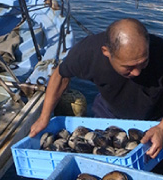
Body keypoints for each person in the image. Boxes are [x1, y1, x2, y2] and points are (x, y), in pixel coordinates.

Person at [29, 18, 163, 159]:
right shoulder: (87, 52)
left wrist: (160, 129)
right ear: (106, 52)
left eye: (143, 62)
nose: (137, 72)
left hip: (156, 116)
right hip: (110, 111)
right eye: (128, 67)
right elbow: (61, 76)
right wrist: (44, 117)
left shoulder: (160, 51)